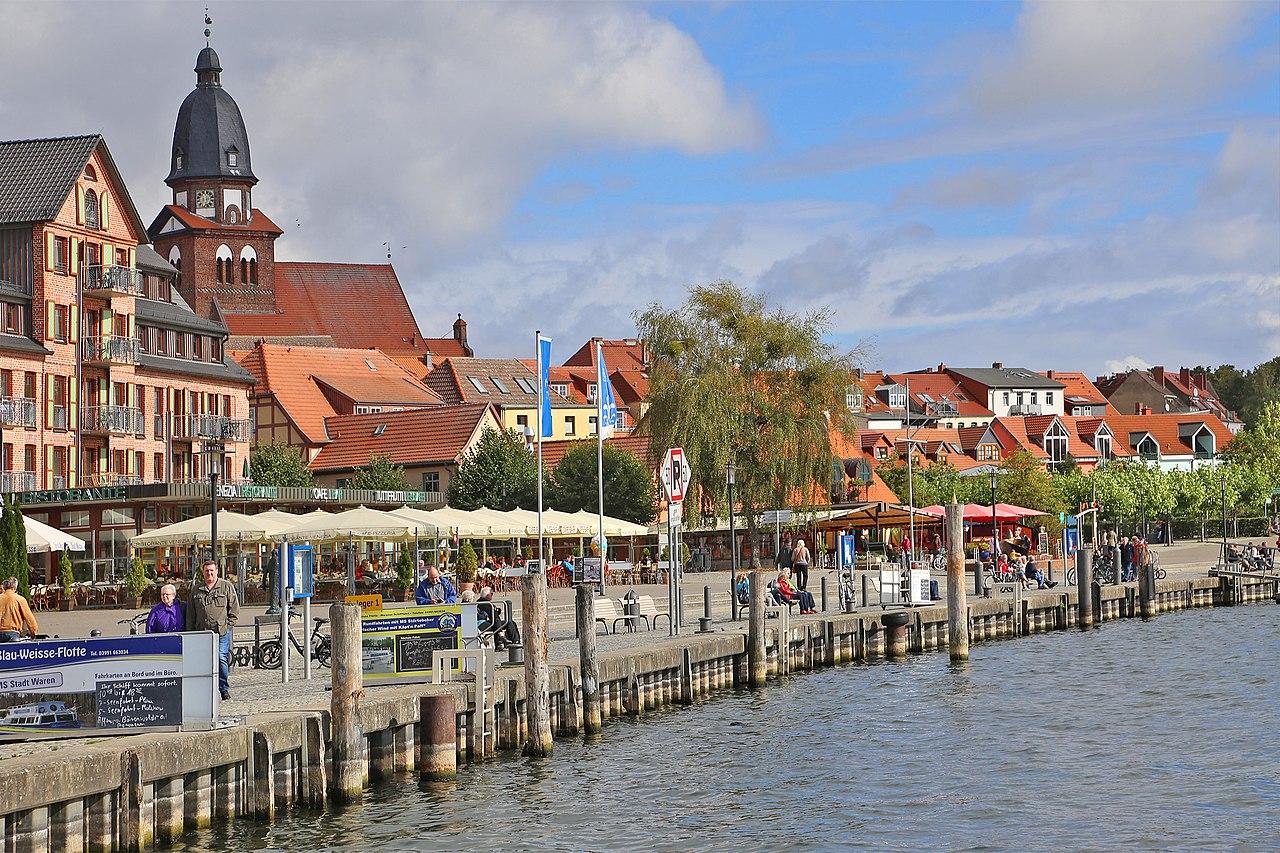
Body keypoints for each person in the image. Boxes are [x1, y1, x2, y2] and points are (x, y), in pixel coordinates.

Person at [186, 560, 240, 701]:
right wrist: (190, 632)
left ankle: (224, 689)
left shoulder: (226, 587)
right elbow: (191, 613)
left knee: (221, 658)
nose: (209, 573)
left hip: (221, 631)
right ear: (203, 572)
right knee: (203, 661)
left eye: (211, 570)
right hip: (202, 633)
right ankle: (205, 689)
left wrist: (228, 625)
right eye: (206, 571)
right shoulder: (196, 590)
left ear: (217, 571)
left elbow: (234, 608)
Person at [0, 577, 38, 642]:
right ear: (15, 587)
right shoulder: (20, 599)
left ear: (4, 587)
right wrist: (34, 632)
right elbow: (29, 618)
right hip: (12, 633)